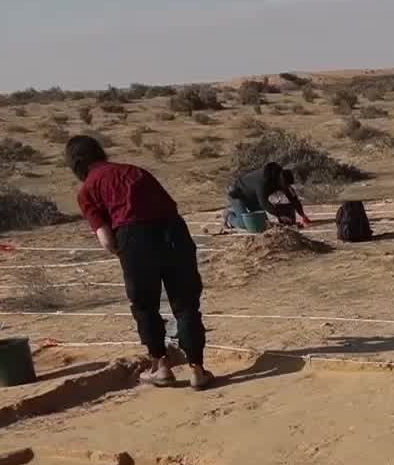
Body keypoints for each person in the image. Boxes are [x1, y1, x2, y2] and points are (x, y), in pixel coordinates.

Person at [66, 135, 214, 390]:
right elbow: (168, 204)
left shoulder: (88, 189)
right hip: (173, 231)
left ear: (75, 163)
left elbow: (106, 240)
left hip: (133, 238)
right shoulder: (134, 171)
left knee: (145, 305)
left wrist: (124, 252)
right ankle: (197, 370)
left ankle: (162, 367)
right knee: (185, 302)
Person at [227, 162, 309, 229]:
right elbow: (264, 204)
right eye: (285, 185)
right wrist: (280, 215)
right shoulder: (263, 182)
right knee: (244, 224)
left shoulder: (280, 179)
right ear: (280, 181)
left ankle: (238, 213)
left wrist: (303, 215)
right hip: (238, 195)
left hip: (253, 198)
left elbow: (293, 198)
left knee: (261, 224)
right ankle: (229, 216)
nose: (285, 188)